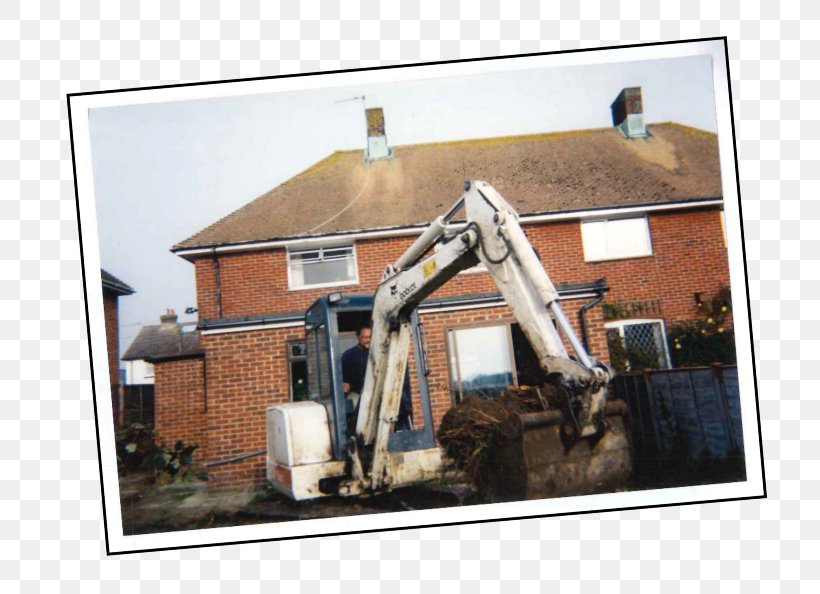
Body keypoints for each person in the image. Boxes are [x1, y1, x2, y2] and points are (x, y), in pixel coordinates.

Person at [341, 325, 413, 431]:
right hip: (359, 393)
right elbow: (344, 381)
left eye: (370, 337)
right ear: (358, 337)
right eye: (364, 337)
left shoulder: (383, 352)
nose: (368, 340)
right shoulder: (348, 355)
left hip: (383, 393)